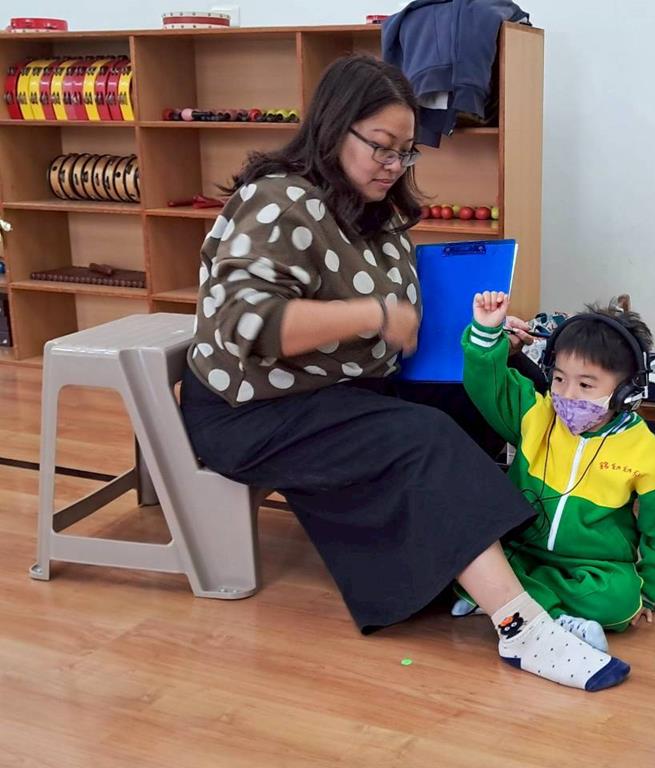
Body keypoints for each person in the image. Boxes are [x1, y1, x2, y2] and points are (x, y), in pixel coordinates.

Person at [179, 55, 630, 692]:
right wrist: (371, 314)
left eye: (405, 152)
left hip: (340, 389)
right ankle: (520, 626)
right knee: (424, 437)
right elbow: (245, 323)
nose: (393, 165)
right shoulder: (277, 200)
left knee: (488, 390)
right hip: (254, 410)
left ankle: (521, 559)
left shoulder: (374, 208)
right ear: (334, 127)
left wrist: (486, 329)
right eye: (381, 147)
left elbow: (412, 313)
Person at [453, 292, 655, 651]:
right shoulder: (536, 415)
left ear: (626, 391)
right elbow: (489, 385)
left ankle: (509, 605)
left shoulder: (648, 454)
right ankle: (555, 617)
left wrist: (651, 591)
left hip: (594, 566)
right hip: (521, 549)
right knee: (466, 557)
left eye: (585, 385)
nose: (567, 394)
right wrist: (486, 333)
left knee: (621, 601)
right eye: (559, 379)